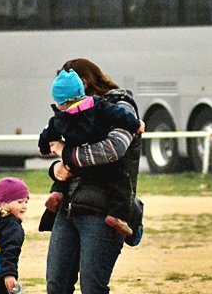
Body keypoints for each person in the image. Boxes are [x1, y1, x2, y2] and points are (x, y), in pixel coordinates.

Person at [31, 58, 159, 294]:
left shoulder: (118, 106)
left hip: (104, 211)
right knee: (56, 290)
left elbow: (113, 150)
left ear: (85, 81)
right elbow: (55, 149)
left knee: (94, 292)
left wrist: (66, 155)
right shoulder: (68, 114)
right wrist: (56, 168)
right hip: (69, 209)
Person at [38, 68, 143, 237]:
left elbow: (45, 137)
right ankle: (117, 216)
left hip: (75, 165)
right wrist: (136, 124)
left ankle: (57, 193)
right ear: (81, 89)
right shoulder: (97, 104)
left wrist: (44, 148)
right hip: (101, 165)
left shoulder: (58, 118)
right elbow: (118, 115)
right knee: (121, 181)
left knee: (65, 172)